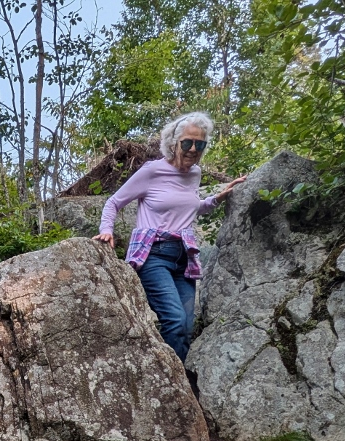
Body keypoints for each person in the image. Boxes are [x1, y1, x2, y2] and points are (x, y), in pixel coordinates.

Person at [93, 112, 245, 362]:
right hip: (154, 255)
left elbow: (189, 208)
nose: (193, 149)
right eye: (187, 142)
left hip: (184, 257)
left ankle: (178, 377)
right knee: (174, 320)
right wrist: (106, 229)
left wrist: (216, 199)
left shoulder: (194, 174)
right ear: (174, 143)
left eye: (200, 144)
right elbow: (113, 202)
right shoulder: (152, 171)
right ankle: (171, 379)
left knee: (185, 327)